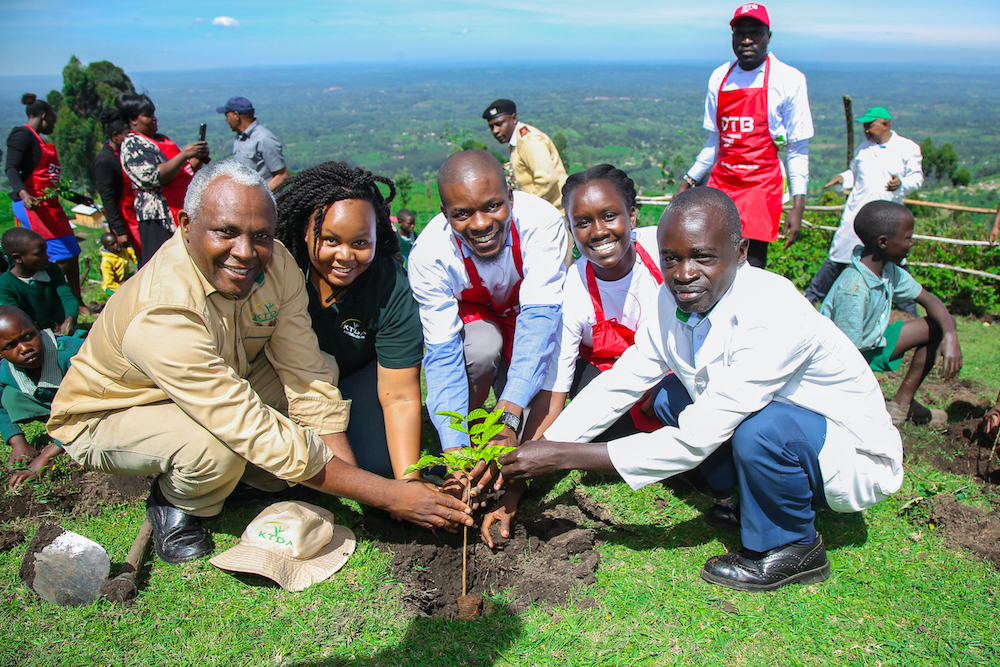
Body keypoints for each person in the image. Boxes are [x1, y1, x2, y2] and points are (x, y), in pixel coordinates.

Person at [47, 161, 472, 565]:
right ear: (185, 225)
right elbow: (243, 422)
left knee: (298, 442)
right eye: (225, 232)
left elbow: (307, 374)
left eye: (261, 235)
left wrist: (362, 483)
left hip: (224, 385)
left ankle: (243, 483)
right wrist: (385, 495)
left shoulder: (277, 263)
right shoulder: (163, 312)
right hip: (120, 409)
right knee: (216, 451)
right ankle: (176, 502)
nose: (245, 252)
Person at [497, 187, 904, 592]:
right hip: (792, 432)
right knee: (670, 396)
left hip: (847, 455)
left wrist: (564, 456)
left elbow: (696, 439)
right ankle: (753, 499)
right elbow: (619, 384)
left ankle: (794, 547)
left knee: (762, 428)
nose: (684, 272)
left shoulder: (772, 309)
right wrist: (540, 447)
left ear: (741, 252)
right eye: (670, 258)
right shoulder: (669, 299)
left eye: (702, 256)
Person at [482, 165, 665, 547]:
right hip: (607, 396)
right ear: (570, 229)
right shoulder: (574, 288)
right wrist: (514, 490)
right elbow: (553, 395)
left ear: (633, 215)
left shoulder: (667, 255)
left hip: (668, 392)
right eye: (582, 222)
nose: (598, 232)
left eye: (610, 216)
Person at [407, 149, 567, 498]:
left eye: (493, 206)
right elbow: (442, 353)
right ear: (444, 214)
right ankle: (469, 432)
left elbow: (540, 321)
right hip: (478, 318)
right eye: (462, 214)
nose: (480, 224)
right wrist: (453, 449)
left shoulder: (542, 222)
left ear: (511, 197)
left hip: (528, 315)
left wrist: (509, 414)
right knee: (479, 348)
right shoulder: (428, 255)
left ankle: (496, 430)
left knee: (522, 418)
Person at [274, 162, 424, 480]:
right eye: (330, 240)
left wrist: (407, 481)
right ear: (305, 231)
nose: (345, 256)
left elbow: (400, 395)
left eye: (360, 242)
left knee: (380, 467)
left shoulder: (389, 285)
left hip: (358, 376)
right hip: (289, 381)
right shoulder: (279, 273)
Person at [674, 4, 812, 269]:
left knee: (751, 267)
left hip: (761, 188)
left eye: (755, 33)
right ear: (732, 38)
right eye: (740, 33)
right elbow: (715, 141)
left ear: (768, 36)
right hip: (723, 184)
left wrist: (798, 204)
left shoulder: (788, 80)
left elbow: (797, 149)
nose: (747, 40)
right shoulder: (720, 78)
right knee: (712, 262)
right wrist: (687, 182)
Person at [820, 201, 962, 426]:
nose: (911, 244)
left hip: (871, 344)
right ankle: (867, 410)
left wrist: (950, 335)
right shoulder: (854, 288)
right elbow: (846, 356)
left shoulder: (888, 271)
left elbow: (929, 300)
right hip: (843, 359)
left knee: (942, 323)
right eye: (908, 238)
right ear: (884, 242)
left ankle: (901, 405)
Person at [805, 107, 924, 304]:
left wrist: (902, 183)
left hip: (887, 216)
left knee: (894, 260)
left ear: (885, 125)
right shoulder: (863, 149)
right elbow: (854, 172)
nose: (866, 130)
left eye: (870, 125)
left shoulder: (907, 148)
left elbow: (917, 177)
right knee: (839, 254)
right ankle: (812, 296)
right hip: (857, 210)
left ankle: (907, 307)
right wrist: (841, 178)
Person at [5, 93, 84, 302]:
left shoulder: (40, 141)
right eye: (53, 121)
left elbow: (50, 181)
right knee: (56, 257)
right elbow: (11, 168)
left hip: (51, 205)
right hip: (34, 206)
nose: (54, 126)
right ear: (43, 115)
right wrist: (25, 195)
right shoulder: (22, 135)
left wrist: (77, 198)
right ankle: (52, 300)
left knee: (72, 252)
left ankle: (77, 300)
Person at [116, 92, 210, 264]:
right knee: (163, 263)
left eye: (153, 114)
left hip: (178, 207)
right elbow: (153, 176)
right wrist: (183, 155)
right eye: (147, 115)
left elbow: (182, 172)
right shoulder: (133, 144)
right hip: (158, 216)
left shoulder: (160, 139)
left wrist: (197, 157)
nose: (153, 119)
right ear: (133, 120)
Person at [0, 306, 82, 487]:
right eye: (10, 346)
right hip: (62, 404)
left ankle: (65, 431)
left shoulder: (73, 356)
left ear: (38, 329)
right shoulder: (6, 369)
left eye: (28, 336)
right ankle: (59, 423)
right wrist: (17, 441)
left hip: (101, 401)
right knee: (8, 396)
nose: (24, 348)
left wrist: (46, 455)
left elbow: (90, 408)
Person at [482, 99, 569, 209]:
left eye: (499, 124)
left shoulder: (529, 141)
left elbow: (547, 179)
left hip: (557, 211)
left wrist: (527, 207)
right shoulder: (517, 141)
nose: (495, 131)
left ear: (514, 118)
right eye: (492, 127)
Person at [0, 228, 80, 335]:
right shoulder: (5, 284)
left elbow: (67, 297)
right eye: (39, 253)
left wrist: (70, 319)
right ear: (17, 258)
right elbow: (17, 318)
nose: (47, 256)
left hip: (63, 328)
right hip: (32, 335)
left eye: (46, 250)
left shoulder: (52, 270)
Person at [93, 108, 140, 253]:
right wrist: (119, 231)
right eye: (127, 136)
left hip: (136, 213)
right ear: (115, 136)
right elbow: (108, 199)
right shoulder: (105, 161)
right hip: (127, 219)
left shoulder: (126, 154)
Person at [217, 96, 288, 192]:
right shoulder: (240, 138)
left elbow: (282, 175)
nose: (227, 121)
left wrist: (261, 196)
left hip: (265, 203)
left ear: (236, 115)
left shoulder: (264, 139)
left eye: (227, 116)